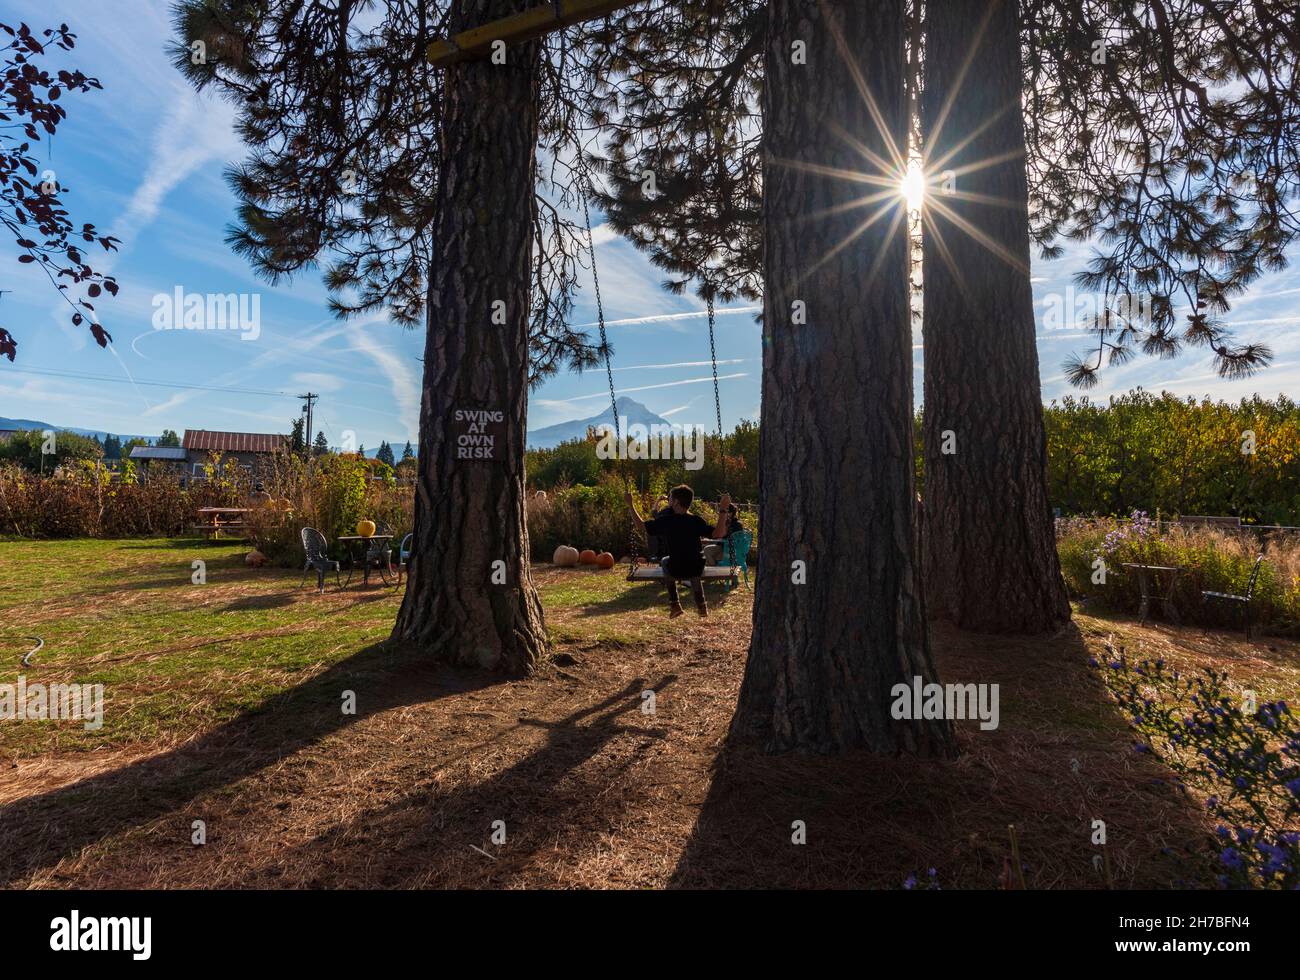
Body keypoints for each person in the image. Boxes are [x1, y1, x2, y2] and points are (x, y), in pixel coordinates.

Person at [626, 485, 731, 617]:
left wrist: (630, 504)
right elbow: (719, 533)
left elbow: (641, 526)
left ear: (675, 502)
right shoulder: (696, 521)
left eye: (670, 498)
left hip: (676, 567)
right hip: (697, 566)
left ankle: (675, 604)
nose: (668, 501)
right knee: (692, 563)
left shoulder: (666, 521)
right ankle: (702, 606)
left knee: (665, 561)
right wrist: (723, 510)